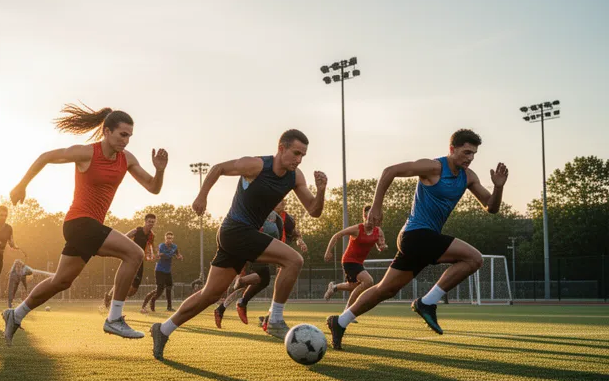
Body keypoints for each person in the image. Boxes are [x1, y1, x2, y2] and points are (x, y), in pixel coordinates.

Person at [150, 130, 326, 360]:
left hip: (242, 236)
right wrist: (202, 196)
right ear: (281, 148)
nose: (299, 159)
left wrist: (321, 191)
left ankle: (162, 330)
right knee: (294, 259)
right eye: (295, 153)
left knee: (209, 295)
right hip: (235, 230)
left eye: (303, 155)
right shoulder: (255, 165)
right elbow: (218, 168)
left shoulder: (295, 177)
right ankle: (275, 319)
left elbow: (314, 211)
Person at [325, 129, 508, 349]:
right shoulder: (432, 167)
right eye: (466, 152)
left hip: (422, 241)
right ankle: (427, 302)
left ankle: (339, 321)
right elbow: (389, 171)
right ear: (452, 149)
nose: (470, 158)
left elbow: (491, 207)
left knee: (385, 290)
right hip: (416, 235)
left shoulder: (469, 177)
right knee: (474, 259)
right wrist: (376, 205)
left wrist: (498, 187)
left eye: (473, 154)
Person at [3, 104, 168, 344]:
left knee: (61, 281)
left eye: (130, 136)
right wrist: (21, 185)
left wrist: (159, 171)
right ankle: (114, 318)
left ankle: (15, 314)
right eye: (123, 134)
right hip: (79, 222)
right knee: (134, 253)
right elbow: (46, 157)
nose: (127, 141)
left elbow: (153, 188)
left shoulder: (127, 159)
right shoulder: (86, 153)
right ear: (107, 132)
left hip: (87, 228)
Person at [213, 198, 307, 329]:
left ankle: (224, 307)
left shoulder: (287, 219)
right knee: (263, 277)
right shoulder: (260, 214)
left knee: (263, 281)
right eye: (278, 201)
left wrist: (299, 240)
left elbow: (295, 233)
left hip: (277, 254)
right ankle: (243, 289)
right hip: (257, 249)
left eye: (283, 201)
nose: (282, 203)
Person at [322, 205, 388, 313]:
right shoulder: (357, 229)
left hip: (359, 262)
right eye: (368, 218)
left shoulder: (378, 231)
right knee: (368, 281)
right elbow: (337, 235)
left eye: (374, 219)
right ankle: (348, 311)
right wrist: (328, 251)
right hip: (349, 260)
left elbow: (380, 245)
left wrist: (382, 247)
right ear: (364, 217)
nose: (371, 221)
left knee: (353, 286)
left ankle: (334, 287)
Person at [102, 213, 157, 311]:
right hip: (130, 259)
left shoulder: (151, 235)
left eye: (152, 222)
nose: (150, 224)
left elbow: (151, 246)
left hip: (140, 261)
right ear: (145, 221)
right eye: (149, 221)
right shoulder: (137, 230)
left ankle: (111, 297)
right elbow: (125, 238)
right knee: (123, 280)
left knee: (133, 290)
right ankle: (112, 298)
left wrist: (152, 255)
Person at [141, 231, 183, 313]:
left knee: (169, 288)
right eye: (167, 238)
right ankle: (150, 302)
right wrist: (161, 255)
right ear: (165, 238)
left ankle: (169, 307)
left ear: (172, 239)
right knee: (159, 290)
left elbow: (177, 254)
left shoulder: (174, 246)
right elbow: (163, 254)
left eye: (170, 238)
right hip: (159, 270)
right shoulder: (162, 246)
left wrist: (179, 256)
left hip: (168, 271)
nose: (169, 240)